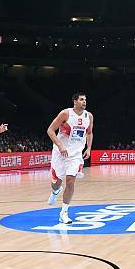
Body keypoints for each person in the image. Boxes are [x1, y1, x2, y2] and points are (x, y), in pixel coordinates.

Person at [46, 92, 93, 224]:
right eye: (82, 100)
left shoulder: (88, 116)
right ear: (75, 101)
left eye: (85, 100)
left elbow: (89, 133)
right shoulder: (65, 114)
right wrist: (60, 145)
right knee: (56, 182)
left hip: (76, 154)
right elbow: (50, 130)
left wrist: (88, 148)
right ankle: (55, 192)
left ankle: (64, 212)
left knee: (70, 180)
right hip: (60, 152)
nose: (84, 102)